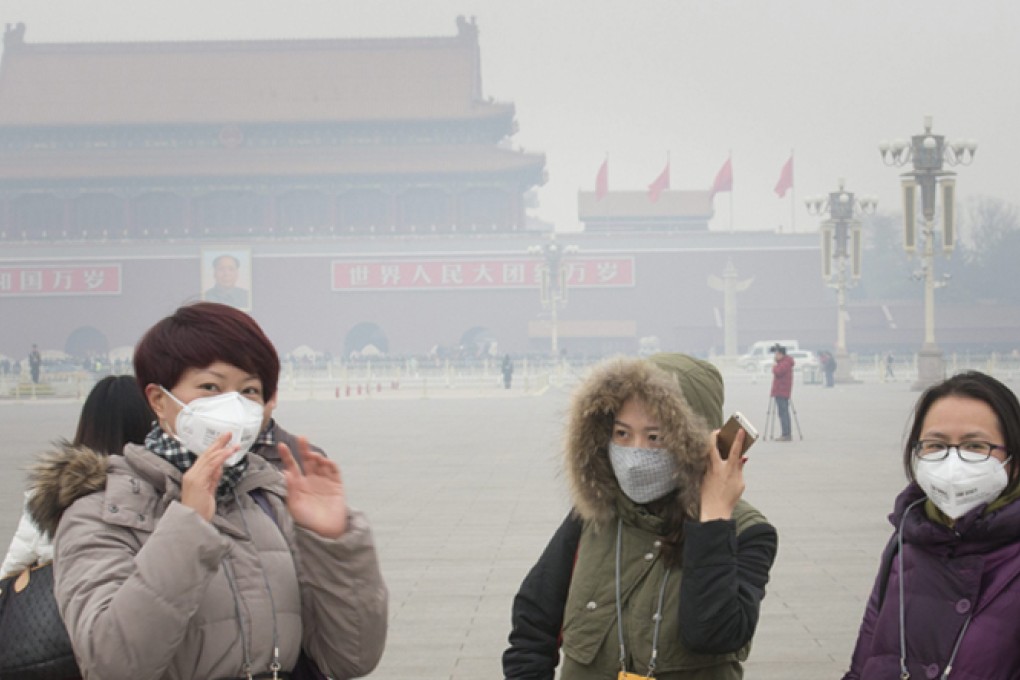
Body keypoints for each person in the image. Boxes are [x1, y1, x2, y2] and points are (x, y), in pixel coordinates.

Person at [28, 302, 387, 679]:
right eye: (210, 387)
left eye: (249, 390)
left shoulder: (269, 500)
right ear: (159, 400)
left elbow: (352, 658)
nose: (232, 404)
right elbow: (113, 665)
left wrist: (332, 543)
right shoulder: (103, 510)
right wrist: (187, 526)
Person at [502, 353, 778, 680]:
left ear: (696, 441)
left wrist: (714, 520)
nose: (635, 454)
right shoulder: (593, 516)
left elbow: (713, 633)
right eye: (622, 434)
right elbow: (533, 624)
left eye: (654, 437)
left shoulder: (749, 532)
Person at [842, 371, 1020, 679]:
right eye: (936, 445)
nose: (953, 461)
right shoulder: (905, 542)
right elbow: (865, 660)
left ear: (1013, 458)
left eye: (975, 446)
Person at [1, 375, 153, 578]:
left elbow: (12, 568)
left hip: (66, 605)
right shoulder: (168, 490)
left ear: (87, 423)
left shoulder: (53, 495)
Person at [770, 344, 795, 441]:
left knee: (783, 413)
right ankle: (786, 433)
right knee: (783, 413)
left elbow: (778, 372)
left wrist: (774, 367)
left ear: (781, 354)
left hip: (781, 391)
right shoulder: (785, 362)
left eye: (776, 354)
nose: (775, 356)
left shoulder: (785, 363)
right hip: (781, 391)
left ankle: (786, 434)